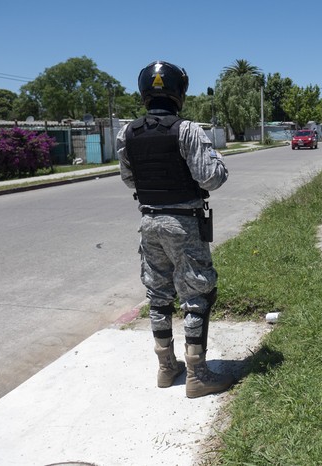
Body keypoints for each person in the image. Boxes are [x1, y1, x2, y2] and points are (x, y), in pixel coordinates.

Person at [117, 60, 232, 398]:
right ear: (179, 92)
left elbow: (128, 179)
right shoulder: (187, 130)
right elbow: (210, 177)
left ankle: (166, 369)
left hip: (149, 221)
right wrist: (220, 164)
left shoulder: (128, 133)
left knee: (158, 295)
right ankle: (198, 374)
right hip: (183, 224)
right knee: (197, 294)